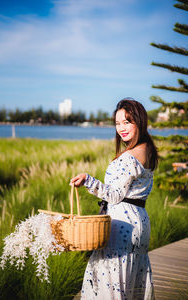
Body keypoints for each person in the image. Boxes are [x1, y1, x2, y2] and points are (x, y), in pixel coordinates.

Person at [70, 98, 158, 300]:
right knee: (132, 281)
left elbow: (114, 195)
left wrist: (88, 180)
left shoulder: (130, 157)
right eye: (118, 123)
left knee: (111, 285)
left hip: (123, 225)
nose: (121, 128)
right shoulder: (148, 149)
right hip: (140, 221)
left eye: (127, 122)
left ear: (139, 121)